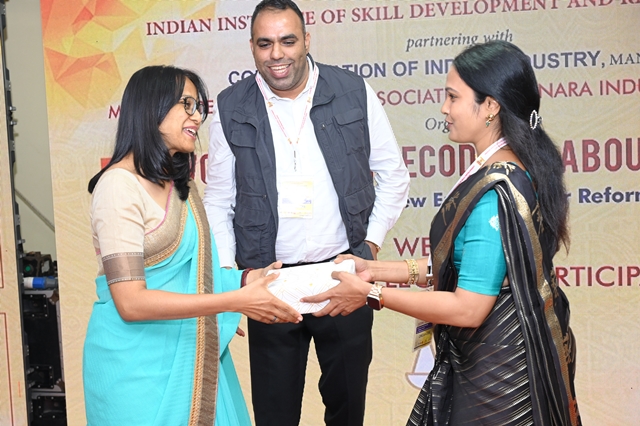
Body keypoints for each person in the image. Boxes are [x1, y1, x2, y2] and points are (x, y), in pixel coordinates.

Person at [303, 41, 581, 425]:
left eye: (453, 97)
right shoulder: (509, 166)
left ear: (490, 106)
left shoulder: (495, 193)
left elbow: (469, 308)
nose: (443, 108)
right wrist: (373, 269)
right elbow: (468, 264)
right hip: (499, 358)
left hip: (497, 382)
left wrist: (372, 294)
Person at [203, 0, 410, 423]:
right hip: (271, 284)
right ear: (252, 47)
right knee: (275, 414)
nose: (276, 54)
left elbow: (394, 176)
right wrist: (231, 282)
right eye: (265, 44)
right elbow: (219, 201)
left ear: (307, 41)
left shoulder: (353, 90)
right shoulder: (230, 107)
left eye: (288, 41)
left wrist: (368, 250)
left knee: (347, 410)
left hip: (342, 278)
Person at [83, 65, 302, 426]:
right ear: (151, 107)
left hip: (187, 349)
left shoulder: (177, 185)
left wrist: (246, 281)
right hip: (135, 373)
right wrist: (234, 301)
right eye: (186, 104)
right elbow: (131, 302)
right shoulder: (118, 186)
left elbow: (196, 273)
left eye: (199, 107)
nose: (197, 116)